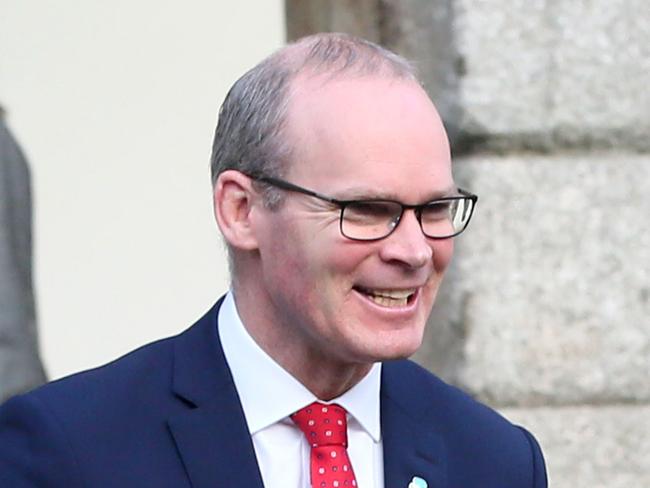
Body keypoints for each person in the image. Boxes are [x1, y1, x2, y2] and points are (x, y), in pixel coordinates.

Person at [0, 33, 547, 487]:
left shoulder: (496, 461)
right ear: (241, 210)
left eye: (433, 209)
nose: (413, 251)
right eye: (365, 210)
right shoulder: (68, 451)